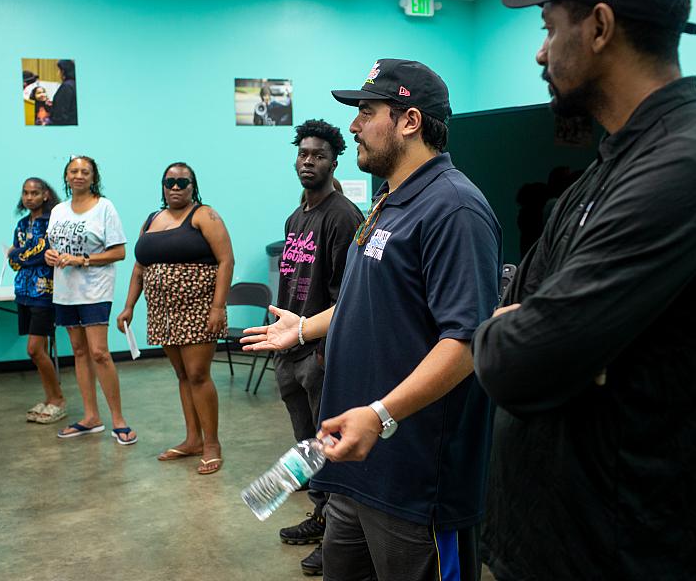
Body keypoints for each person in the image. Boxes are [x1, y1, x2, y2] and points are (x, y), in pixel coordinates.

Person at [472, 0, 696, 579]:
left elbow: (516, 359)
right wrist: (545, 332)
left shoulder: (684, 166)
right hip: (554, 540)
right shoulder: (606, 168)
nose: (541, 54)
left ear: (599, 27)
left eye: (549, 28)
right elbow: (522, 309)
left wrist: (526, 333)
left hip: (626, 552)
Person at [242, 59, 502, 581]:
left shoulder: (454, 209)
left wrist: (382, 414)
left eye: (367, 112)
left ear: (409, 121)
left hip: (416, 483)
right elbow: (368, 299)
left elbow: (467, 341)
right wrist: (304, 328)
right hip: (353, 467)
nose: (355, 126)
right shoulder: (389, 201)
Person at [274, 119, 364, 576]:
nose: (309, 161)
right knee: (306, 443)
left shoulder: (344, 216)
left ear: (334, 162)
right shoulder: (297, 217)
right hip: (289, 349)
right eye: (303, 154)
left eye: (319, 156)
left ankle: (338, 535)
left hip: (319, 349)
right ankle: (320, 513)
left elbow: (347, 293)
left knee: (328, 443)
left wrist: (327, 349)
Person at [116, 162, 233, 474]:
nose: (176, 187)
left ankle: (211, 444)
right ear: (163, 186)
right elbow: (140, 267)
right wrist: (128, 306)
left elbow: (225, 261)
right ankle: (192, 439)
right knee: (183, 375)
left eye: (183, 182)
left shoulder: (204, 215)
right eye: (171, 182)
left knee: (198, 374)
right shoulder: (152, 219)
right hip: (163, 311)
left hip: (198, 308)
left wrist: (218, 308)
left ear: (193, 186)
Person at [45, 156, 137, 445]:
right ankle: (90, 417)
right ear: (66, 177)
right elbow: (53, 247)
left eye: (85, 171)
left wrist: (83, 259)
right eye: (74, 171)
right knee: (79, 351)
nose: (79, 175)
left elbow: (119, 252)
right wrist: (49, 255)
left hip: (95, 290)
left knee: (99, 352)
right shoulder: (58, 210)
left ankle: (118, 420)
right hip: (65, 292)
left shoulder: (105, 207)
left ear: (93, 177)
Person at [8, 177, 65, 424]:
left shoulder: (50, 222)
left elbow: (40, 252)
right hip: (23, 291)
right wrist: (20, 256)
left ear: (45, 196)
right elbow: (12, 261)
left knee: (34, 349)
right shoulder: (22, 224)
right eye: (25, 193)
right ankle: (49, 398)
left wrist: (19, 255)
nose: (29, 197)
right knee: (37, 351)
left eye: (34, 193)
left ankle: (58, 400)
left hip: (44, 292)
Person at [51, 59, 77, 126]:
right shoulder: (74, 83)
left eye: (59, 70)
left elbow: (59, 116)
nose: (58, 73)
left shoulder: (66, 86)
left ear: (63, 71)